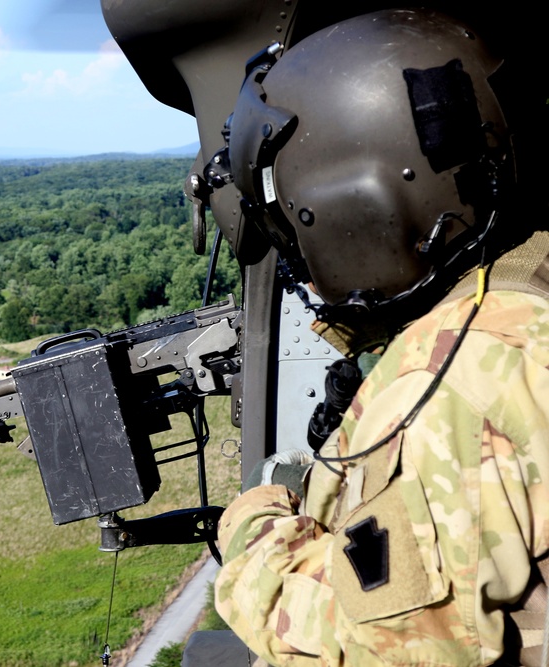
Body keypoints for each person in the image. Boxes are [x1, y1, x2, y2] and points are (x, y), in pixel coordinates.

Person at [204, 8, 549, 666]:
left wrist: (256, 528)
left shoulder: (444, 391)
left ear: (350, 208)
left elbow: (379, 647)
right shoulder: (529, 272)